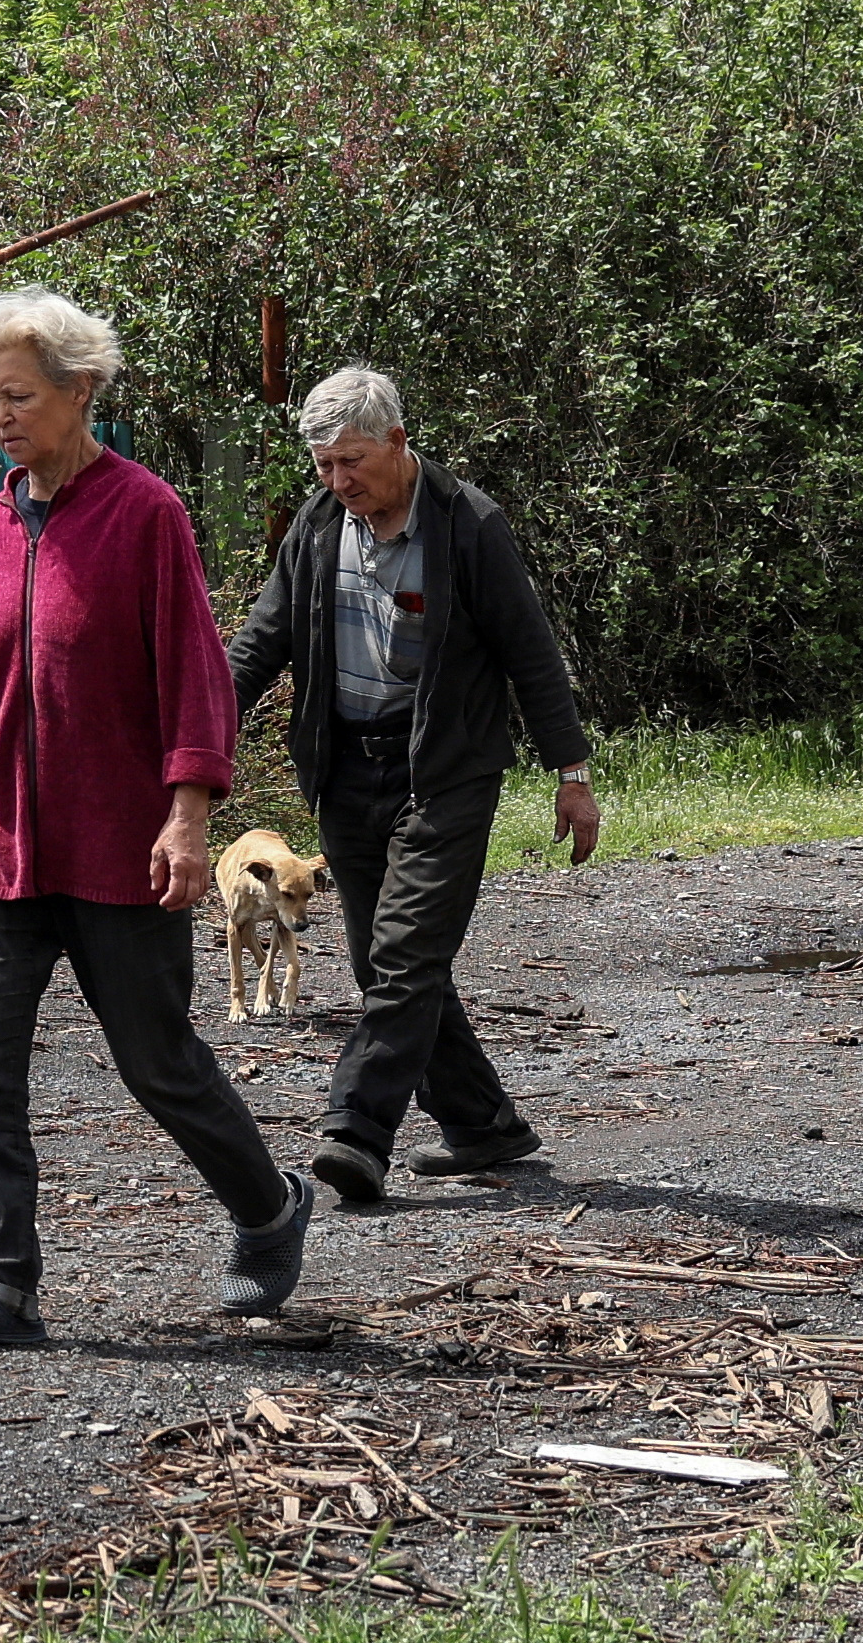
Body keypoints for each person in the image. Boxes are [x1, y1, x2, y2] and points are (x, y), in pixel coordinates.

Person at [0, 288, 314, 1353]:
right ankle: (1, 1285)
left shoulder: (146, 513)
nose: (0, 414)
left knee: (156, 1058)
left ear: (80, 389)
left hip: (122, 846)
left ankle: (270, 1207)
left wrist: (187, 818)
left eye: (20, 394)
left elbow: (196, 680)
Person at [231, 364, 599, 1212]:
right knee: (384, 960)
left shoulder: (468, 526)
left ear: (398, 441)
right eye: (323, 465)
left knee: (402, 957)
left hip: (444, 772)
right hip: (344, 770)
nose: (336, 481)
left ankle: (356, 1131)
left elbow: (530, 654)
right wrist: (191, 740)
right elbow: (263, 642)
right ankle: (483, 1125)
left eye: (351, 461)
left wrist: (570, 776)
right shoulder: (322, 525)